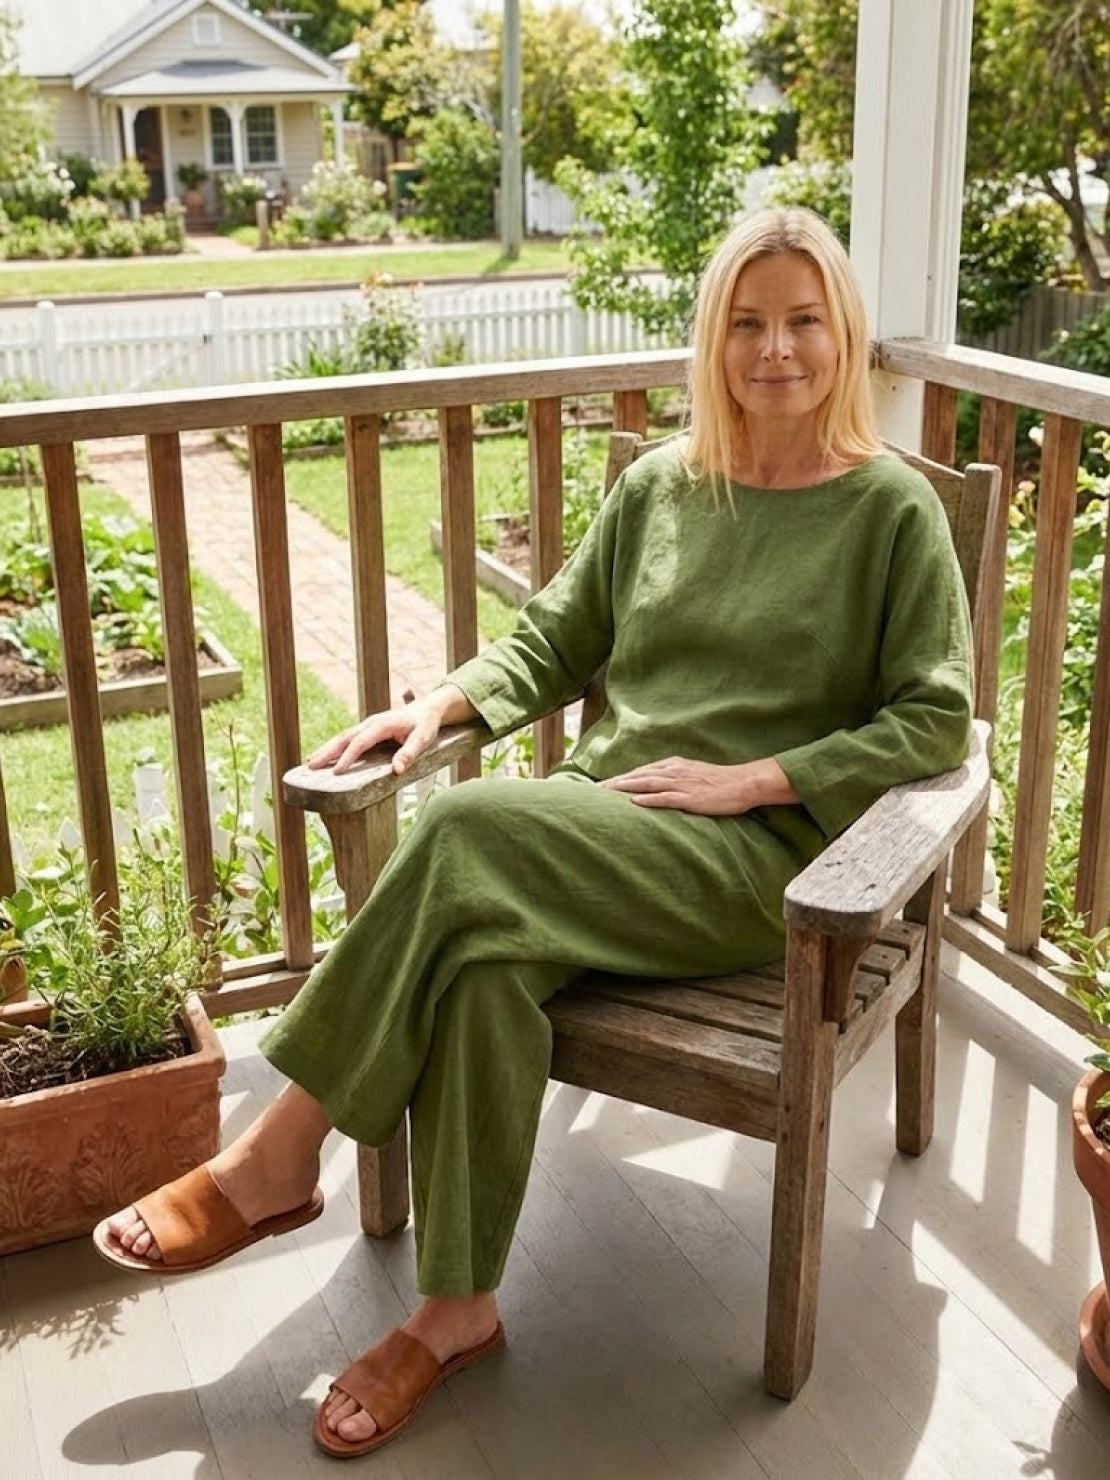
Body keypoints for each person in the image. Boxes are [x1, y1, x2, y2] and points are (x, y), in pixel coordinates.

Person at [95, 207, 974, 1458]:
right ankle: (456, 1312)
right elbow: (555, 638)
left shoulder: (892, 512)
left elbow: (938, 718)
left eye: (803, 321)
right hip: (598, 830)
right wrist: (438, 702)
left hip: (759, 863)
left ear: (843, 334)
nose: (776, 349)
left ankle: (276, 1157)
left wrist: (760, 779)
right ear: (713, 339)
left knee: (459, 832)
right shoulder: (661, 486)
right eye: (747, 323)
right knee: (483, 964)